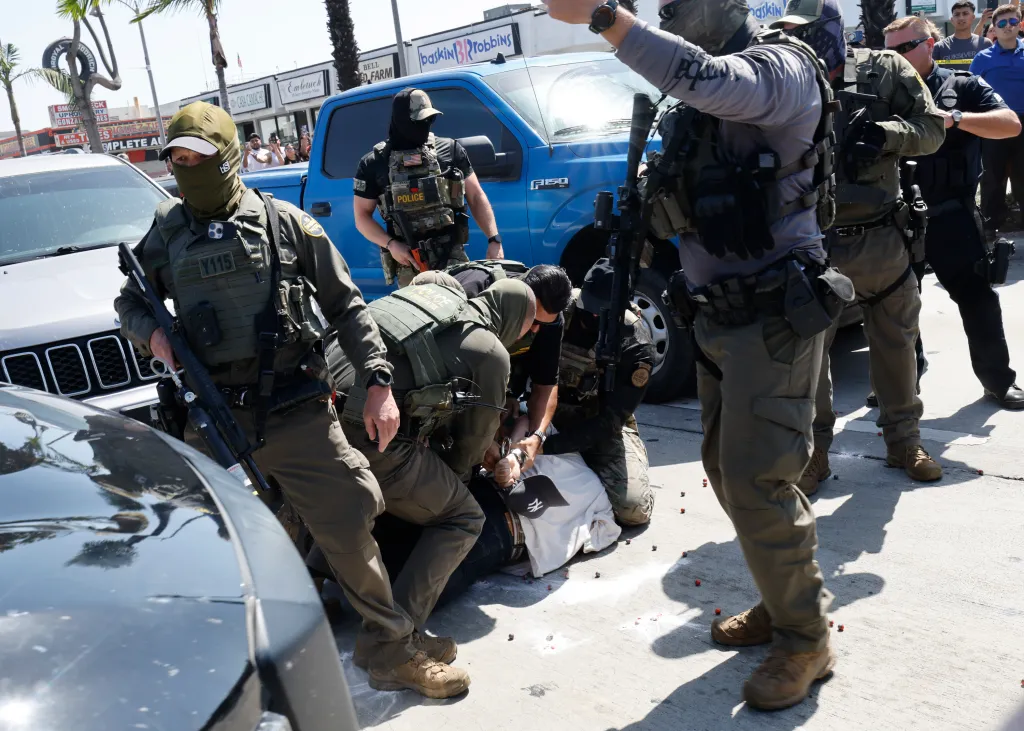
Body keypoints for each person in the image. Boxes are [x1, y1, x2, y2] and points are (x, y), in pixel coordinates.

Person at [544, 0, 849, 710]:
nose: (670, 8)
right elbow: (673, 197)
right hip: (717, 319)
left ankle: (806, 638)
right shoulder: (693, 110)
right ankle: (784, 598)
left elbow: (710, 78)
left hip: (774, 316)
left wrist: (604, 17)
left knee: (757, 478)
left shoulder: (780, 68)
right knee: (728, 469)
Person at [114, 101, 468, 700]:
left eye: (197, 158)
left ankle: (387, 647)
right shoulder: (168, 233)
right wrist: (151, 334)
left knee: (351, 516)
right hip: (215, 419)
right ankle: (234, 666)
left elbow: (348, 307)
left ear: (226, 159)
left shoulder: (285, 225)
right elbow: (131, 299)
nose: (184, 168)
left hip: (295, 409)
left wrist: (379, 383)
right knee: (217, 542)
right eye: (175, 159)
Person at [777, 0, 946, 495]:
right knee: (810, 358)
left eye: (807, 31)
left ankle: (904, 441)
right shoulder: (783, 81)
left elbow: (932, 129)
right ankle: (815, 455)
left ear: (831, 30)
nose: (798, 42)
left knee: (895, 345)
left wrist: (885, 134)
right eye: (791, 33)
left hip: (881, 239)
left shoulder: (885, 68)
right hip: (814, 244)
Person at [327, 279, 534, 678]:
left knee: (345, 504)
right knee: (462, 517)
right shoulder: (490, 350)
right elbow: (474, 440)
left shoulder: (418, 303)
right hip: (370, 429)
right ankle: (393, 644)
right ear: (515, 323)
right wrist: (456, 480)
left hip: (318, 416)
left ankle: (320, 587)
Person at [886, 16, 1024, 408]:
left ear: (929, 44)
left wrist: (956, 118)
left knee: (977, 298)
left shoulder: (960, 86)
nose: (894, 58)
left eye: (903, 49)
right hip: (896, 216)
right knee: (893, 307)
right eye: (887, 52)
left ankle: (998, 380)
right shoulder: (881, 91)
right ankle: (901, 380)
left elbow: (1010, 124)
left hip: (951, 213)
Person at [539, 259, 655, 525]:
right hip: (545, 414)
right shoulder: (557, 310)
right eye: (588, 310)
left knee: (632, 511)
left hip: (600, 425)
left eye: (602, 313)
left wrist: (549, 448)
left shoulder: (635, 345)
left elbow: (610, 421)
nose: (592, 318)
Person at [353, 88, 504, 288]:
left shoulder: (450, 150)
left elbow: (476, 196)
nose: (425, 126)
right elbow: (362, 217)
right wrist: (391, 245)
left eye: (429, 120)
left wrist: (494, 240)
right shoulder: (374, 163)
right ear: (401, 120)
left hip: (452, 257)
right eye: (418, 121)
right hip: (411, 262)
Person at [441, 261, 573, 472]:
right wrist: (480, 443)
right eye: (533, 320)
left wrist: (536, 437)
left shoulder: (550, 317)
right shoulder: (472, 293)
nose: (536, 330)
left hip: (493, 384)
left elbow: (546, 384)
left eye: (545, 324)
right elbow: (442, 375)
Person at [971, 4, 1024, 233]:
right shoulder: (983, 58)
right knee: (993, 176)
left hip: (1023, 123)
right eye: (1001, 23)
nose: (1007, 27)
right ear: (994, 27)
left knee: (1023, 175)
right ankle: (992, 225)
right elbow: (971, 90)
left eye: (1012, 22)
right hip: (995, 123)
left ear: (1020, 25)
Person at [934, 1, 993, 68]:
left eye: (965, 14)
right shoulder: (939, 47)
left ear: (973, 17)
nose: (961, 18)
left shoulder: (985, 44)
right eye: (957, 14)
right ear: (952, 20)